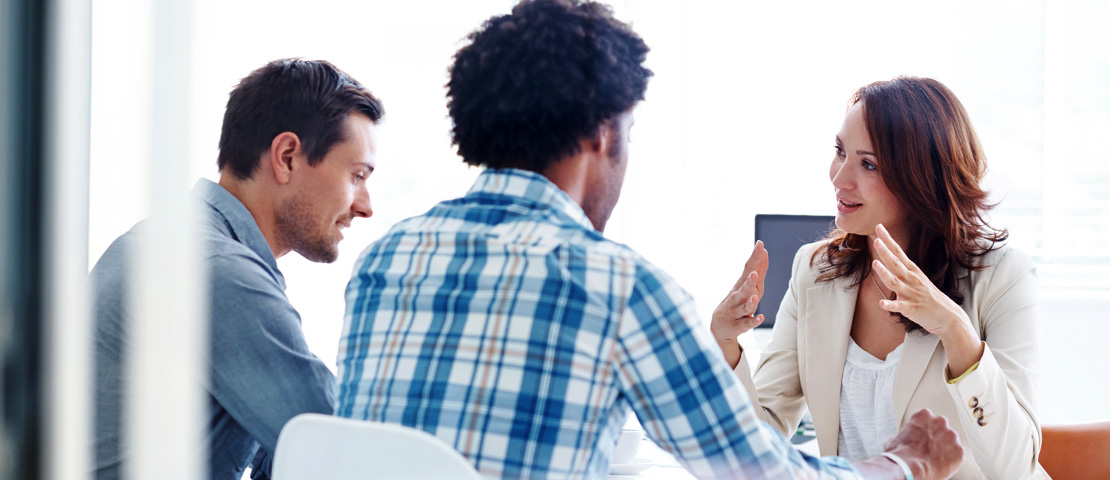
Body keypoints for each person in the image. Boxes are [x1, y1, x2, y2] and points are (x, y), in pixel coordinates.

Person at [335, 2, 963, 479]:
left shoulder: (383, 260)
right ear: (602, 135)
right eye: (628, 132)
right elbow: (757, 471)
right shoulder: (619, 286)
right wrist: (903, 464)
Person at [712, 76, 1047, 479]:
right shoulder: (814, 272)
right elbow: (760, 447)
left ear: (922, 179)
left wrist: (954, 329)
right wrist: (727, 345)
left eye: (868, 164)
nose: (839, 178)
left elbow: (1015, 467)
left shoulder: (1003, 277)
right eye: (840, 152)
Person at [90, 58, 384, 480]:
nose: (365, 206)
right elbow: (344, 455)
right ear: (286, 157)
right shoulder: (215, 271)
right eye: (357, 175)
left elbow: (283, 453)